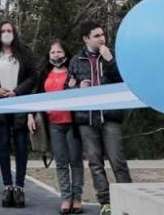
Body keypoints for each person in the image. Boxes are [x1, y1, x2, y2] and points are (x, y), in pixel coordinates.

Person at [68, 21, 132, 215]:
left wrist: (110, 60)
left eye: (102, 34)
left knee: (118, 161)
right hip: (86, 120)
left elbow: (125, 81)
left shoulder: (112, 56)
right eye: (96, 35)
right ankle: (106, 202)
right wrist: (77, 88)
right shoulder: (76, 60)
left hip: (110, 117)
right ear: (86, 39)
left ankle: (129, 201)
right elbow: (66, 88)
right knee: (95, 163)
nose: (101, 38)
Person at [0, 22, 37, 208]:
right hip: (0, 106)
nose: (6, 33)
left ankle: (19, 187)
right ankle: (7, 186)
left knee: (20, 146)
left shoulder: (24, 52)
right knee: (3, 144)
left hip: (19, 104)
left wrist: (18, 91)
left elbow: (33, 76)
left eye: (9, 30)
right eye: (3, 30)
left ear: (14, 33)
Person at [29, 40, 84, 214]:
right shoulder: (44, 73)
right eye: (53, 52)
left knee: (75, 162)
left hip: (73, 123)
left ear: (65, 53)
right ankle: (66, 198)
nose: (56, 55)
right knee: (61, 162)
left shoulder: (74, 72)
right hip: (53, 124)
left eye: (59, 52)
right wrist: (30, 115)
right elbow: (36, 96)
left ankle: (77, 198)